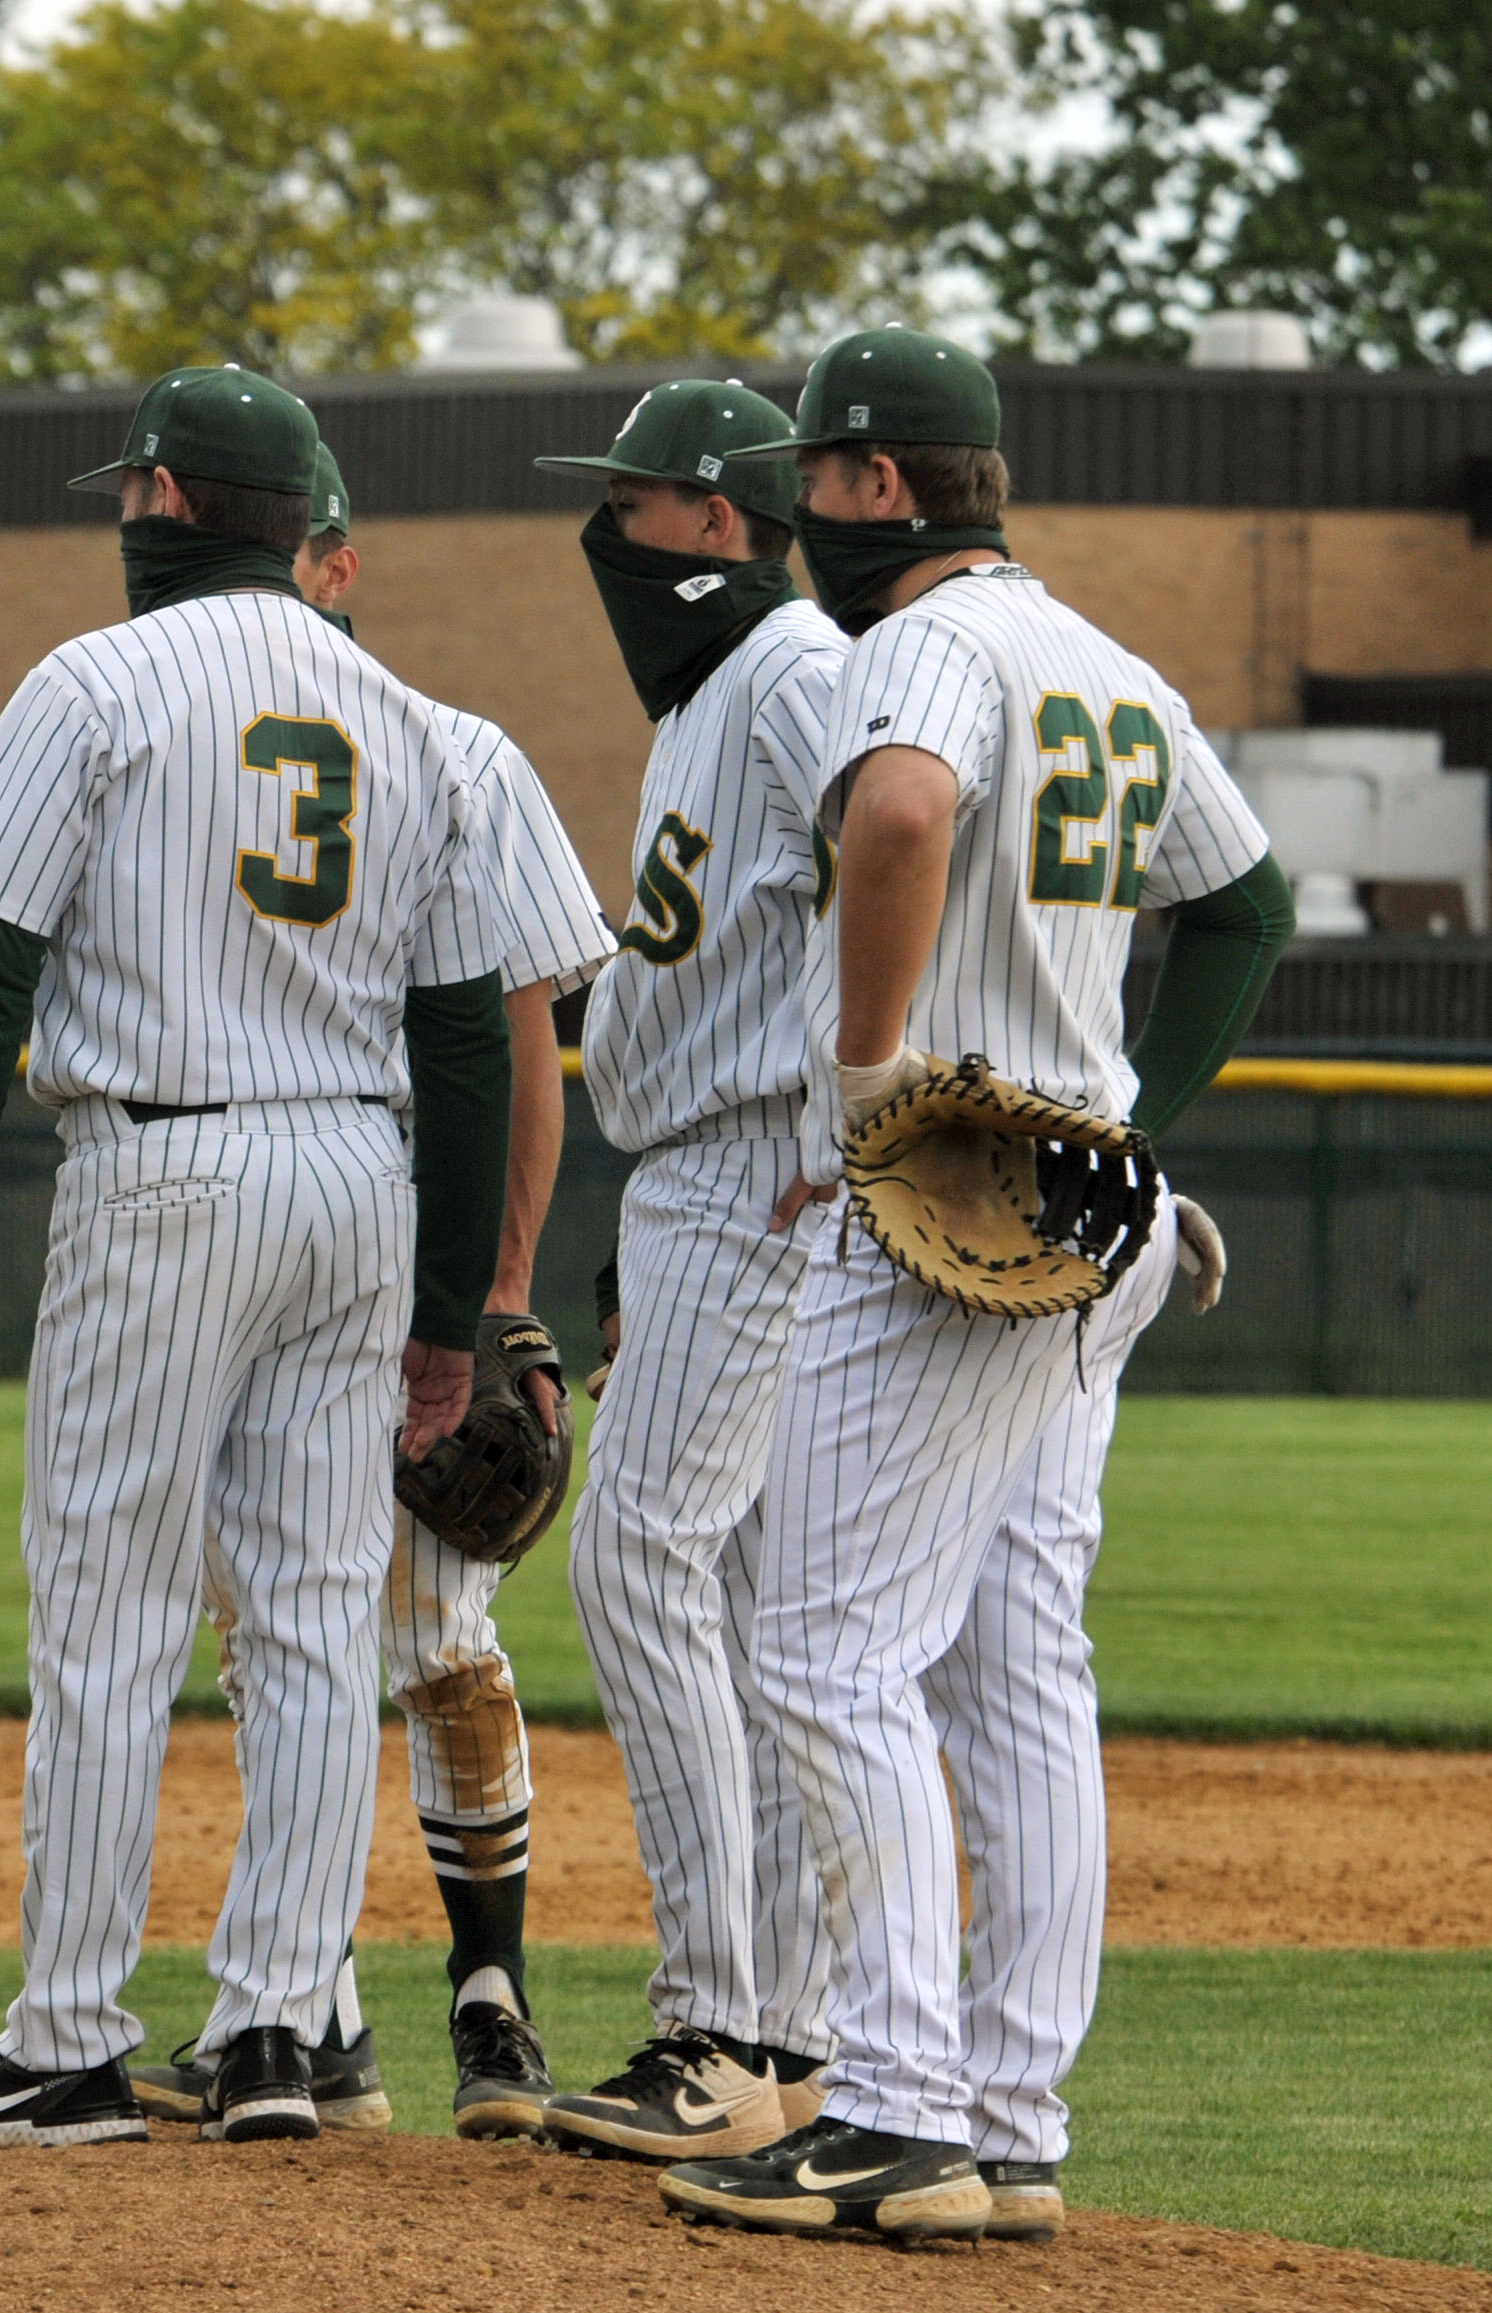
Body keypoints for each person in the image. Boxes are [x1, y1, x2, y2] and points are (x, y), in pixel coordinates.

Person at [658, 327, 1289, 2240]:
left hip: (953, 1197)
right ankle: (1010, 2115)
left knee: (833, 1651)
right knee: (1023, 1660)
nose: (800, 511)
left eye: (819, 479)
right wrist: (1138, 1128)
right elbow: (1248, 900)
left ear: (884, 486)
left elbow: (906, 814)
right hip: (1087, 1207)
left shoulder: (921, 645)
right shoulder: (1106, 659)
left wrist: (868, 1082)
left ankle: (903, 2112)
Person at [0, 366, 522, 2152]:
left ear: (163, 503)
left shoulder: (91, 687)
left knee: (110, 1606)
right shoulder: (413, 717)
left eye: (131, 492)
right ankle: (273, 2038)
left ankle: (68, 2039)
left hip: (167, 1170)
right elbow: (469, 1041)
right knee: (318, 1616)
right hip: (357, 1176)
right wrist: (451, 1306)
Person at [126, 442, 612, 2141]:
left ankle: (486, 2004)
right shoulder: (213, 737)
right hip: (299, 1247)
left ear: (344, 568)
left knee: (412, 1633)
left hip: (365, 1254)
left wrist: (489, 1298)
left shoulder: (456, 754)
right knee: (285, 1632)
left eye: (323, 556)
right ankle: (314, 2013)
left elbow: (525, 1054)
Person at [498, 384, 850, 2163]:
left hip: (764, 1177)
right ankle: (786, 2034)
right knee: (747, 1607)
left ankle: (713, 2023)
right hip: (705, 1187)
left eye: (633, 504)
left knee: (639, 1557)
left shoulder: (788, 674)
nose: (607, 535)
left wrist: (827, 1132)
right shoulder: (715, 695)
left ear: (720, 521)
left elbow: (894, 871)